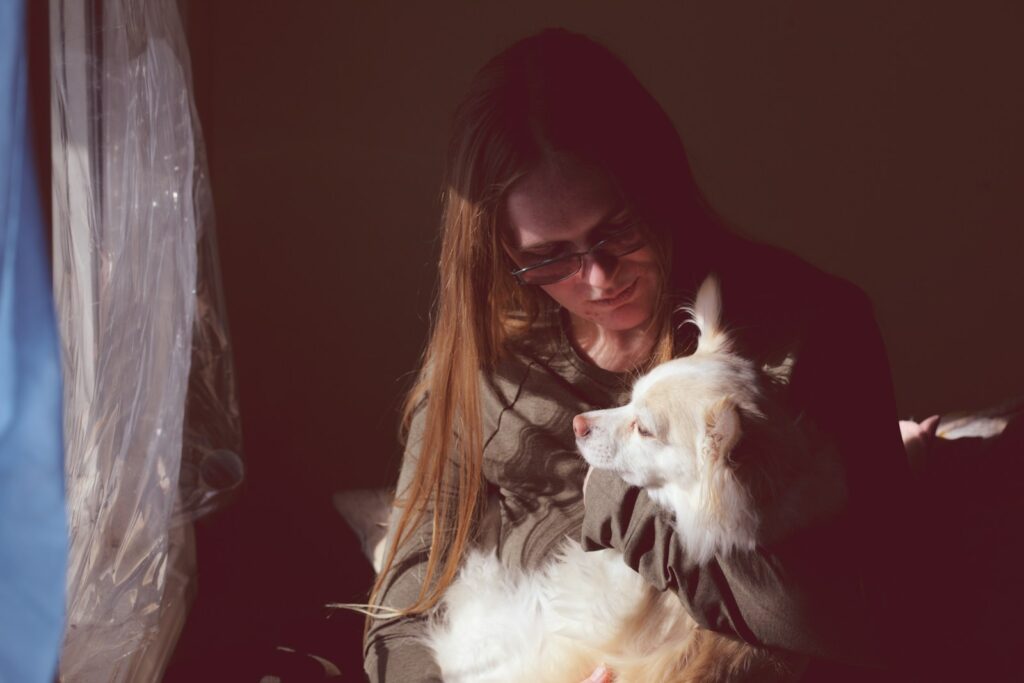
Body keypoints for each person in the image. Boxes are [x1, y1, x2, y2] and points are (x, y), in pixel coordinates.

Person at [363, 28, 913, 683]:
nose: (598, 278)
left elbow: (872, 617)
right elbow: (403, 604)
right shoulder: (490, 370)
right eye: (548, 256)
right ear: (503, 253)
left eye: (615, 229)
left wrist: (614, 504)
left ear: (658, 187)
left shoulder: (803, 332)